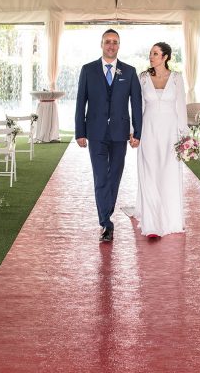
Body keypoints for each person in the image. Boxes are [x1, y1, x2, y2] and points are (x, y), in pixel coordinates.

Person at [75, 29, 143, 242]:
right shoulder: (87, 70)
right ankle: (106, 222)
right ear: (101, 44)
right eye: (107, 42)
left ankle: (106, 215)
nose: (111, 45)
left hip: (119, 133)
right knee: (100, 177)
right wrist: (80, 131)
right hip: (95, 133)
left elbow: (136, 104)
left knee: (114, 176)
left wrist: (137, 133)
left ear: (119, 46)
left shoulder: (129, 72)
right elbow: (80, 102)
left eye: (115, 42)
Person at [131, 42, 188, 238]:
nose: (151, 57)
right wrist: (134, 131)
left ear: (165, 57)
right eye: (150, 53)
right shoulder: (143, 78)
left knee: (169, 172)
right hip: (149, 131)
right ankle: (152, 223)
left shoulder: (177, 79)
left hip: (171, 133)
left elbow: (181, 107)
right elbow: (136, 107)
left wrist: (185, 137)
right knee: (149, 172)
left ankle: (171, 220)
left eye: (155, 53)